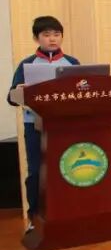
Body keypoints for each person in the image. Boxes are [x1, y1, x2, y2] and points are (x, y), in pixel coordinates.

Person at [7, 16, 80, 232]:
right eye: (46, 35)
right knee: (37, 172)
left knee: (67, 169)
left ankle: (68, 214)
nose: (52, 39)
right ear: (36, 38)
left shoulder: (72, 63)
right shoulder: (27, 64)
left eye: (56, 34)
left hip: (65, 126)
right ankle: (35, 217)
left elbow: (82, 91)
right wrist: (19, 91)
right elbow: (11, 98)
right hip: (35, 126)